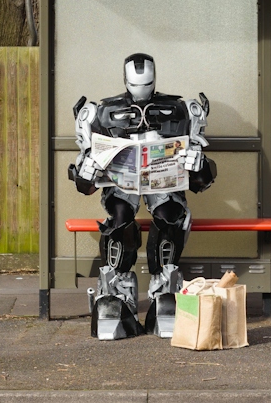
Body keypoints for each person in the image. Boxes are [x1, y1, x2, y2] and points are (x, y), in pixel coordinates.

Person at [69, 53, 217, 340]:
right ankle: (115, 293)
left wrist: (196, 164)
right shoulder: (101, 112)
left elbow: (203, 180)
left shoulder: (180, 109)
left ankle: (166, 290)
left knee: (170, 216)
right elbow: (84, 182)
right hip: (121, 184)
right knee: (120, 218)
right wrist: (89, 167)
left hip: (163, 183)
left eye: (146, 83)